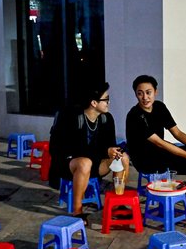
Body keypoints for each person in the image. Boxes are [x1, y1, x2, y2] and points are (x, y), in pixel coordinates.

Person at [49, 82, 129, 222]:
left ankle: (118, 203)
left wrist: (114, 151)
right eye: (106, 99)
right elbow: (62, 149)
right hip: (68, 165)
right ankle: (77, 211)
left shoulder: (106, 119)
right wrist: (105, 150)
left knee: (123, 158)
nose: (108, 102)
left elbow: (109, 145)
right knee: (85, 163)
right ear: (93, 102)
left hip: (96, 163)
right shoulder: (72, 118)